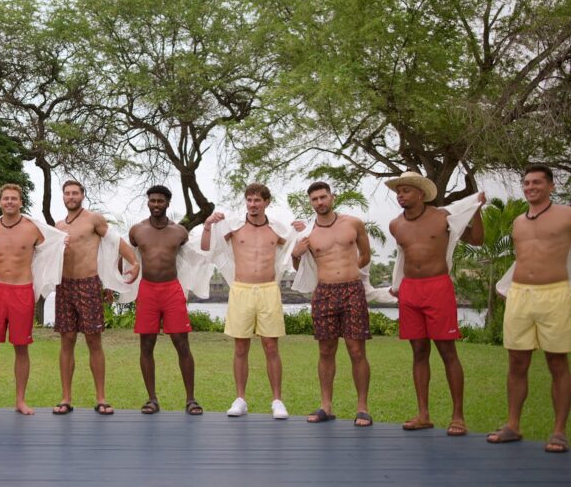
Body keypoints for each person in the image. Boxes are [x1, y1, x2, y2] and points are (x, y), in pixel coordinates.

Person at [386, 171, 485, 436]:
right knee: (418, 352)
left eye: (406, 190)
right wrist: (398, 286)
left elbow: (476, 240)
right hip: (410, 291)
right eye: (398, 191)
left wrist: (476, 209)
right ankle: (423, 414)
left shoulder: (442, 218)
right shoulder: (396, 225)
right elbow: (402, 259)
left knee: (447, 351)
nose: (400, 195)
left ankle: (458, 416)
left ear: (420, 193)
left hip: (437, 287)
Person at [0, 184, 67, 416]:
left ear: (20, 202)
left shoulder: (33, 229)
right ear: (0, 202)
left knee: (21, 347)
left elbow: (52, 245)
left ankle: (20, 400)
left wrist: (61, 245)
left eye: (14, 199)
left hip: (22, 291)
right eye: (5, 198)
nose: (9, 202)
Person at [488, 164, 570, 454]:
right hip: (520, 295)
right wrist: (507, 288)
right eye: (526, 183)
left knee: (557, 362)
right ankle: (513, 425)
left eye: (537, 182)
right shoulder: (519, 222)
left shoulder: (566, 215)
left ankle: (559, 431)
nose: (530, 187)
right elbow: (521, 259)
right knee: (517, 362)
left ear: (551, 186)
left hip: (555, 293)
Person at [201, 183, 297, 420]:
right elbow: (207, 248)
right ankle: (240, 399)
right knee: (240, 347)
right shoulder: (234, 228)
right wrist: (208, 225)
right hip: (241, 289)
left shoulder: (277, 230)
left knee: (271, 347)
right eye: (249, 200)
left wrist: (303, 232)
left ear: (266, 202)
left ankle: (277, 401)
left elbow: (295, 249)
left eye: (257, 200)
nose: (253, 205)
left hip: (268, 290)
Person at [52, 180, 139, 416]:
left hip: (88, 283)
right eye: (67, 193)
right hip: (64, 286)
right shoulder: (58, 226)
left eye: (75, 193)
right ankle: (66, 398)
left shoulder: (94, 219)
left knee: (94, 340)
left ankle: (101, 398)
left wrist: (133, 262)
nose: (71, 197)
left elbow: (115, 241)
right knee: (66, 340)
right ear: (63, 197)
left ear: (82, 195)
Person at [290, 181, 373, 426]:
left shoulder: (353, 223)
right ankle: (326, 405)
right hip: (324, 292)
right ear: (310, 202)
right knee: (326, 351)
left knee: (357, 350)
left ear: (332, 197)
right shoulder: (307, 234)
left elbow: (365, 254)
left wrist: (350, 274)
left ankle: (362, 407)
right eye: (314, 199)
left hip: (352, 290)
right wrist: (296, 253)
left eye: (323, 197)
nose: (320, 202)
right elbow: (299, 268)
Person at [131, 185, 210, 416]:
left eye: (160, 201)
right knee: (146, 345)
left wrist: (209, 227)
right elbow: (126, 254)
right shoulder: (137, 231)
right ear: (148, 202)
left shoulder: (180, 232)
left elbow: (196, 252)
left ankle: (191, 400)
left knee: (182, 344)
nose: (156, 204)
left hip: (172, 290)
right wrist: (117, 279)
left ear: (167, 203)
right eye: (152, 201)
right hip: (147, 290)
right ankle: (152, 399)